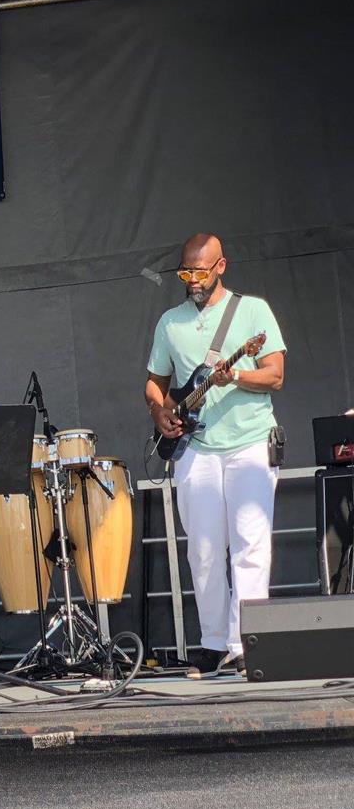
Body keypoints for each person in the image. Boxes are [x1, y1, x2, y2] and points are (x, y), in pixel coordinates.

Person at [144, 234, 286, 675]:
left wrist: (236, 376)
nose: (192, 280)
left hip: (249, 443)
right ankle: (212, 642)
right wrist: (159, 412)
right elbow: (154, 383)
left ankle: (247, 643)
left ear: (221, 266)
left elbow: (275, 375)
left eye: (200, 272)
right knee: (203, 550)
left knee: (249, 545)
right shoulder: (170, 322)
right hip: (196, 447)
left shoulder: (253, 310)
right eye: (185, 272)